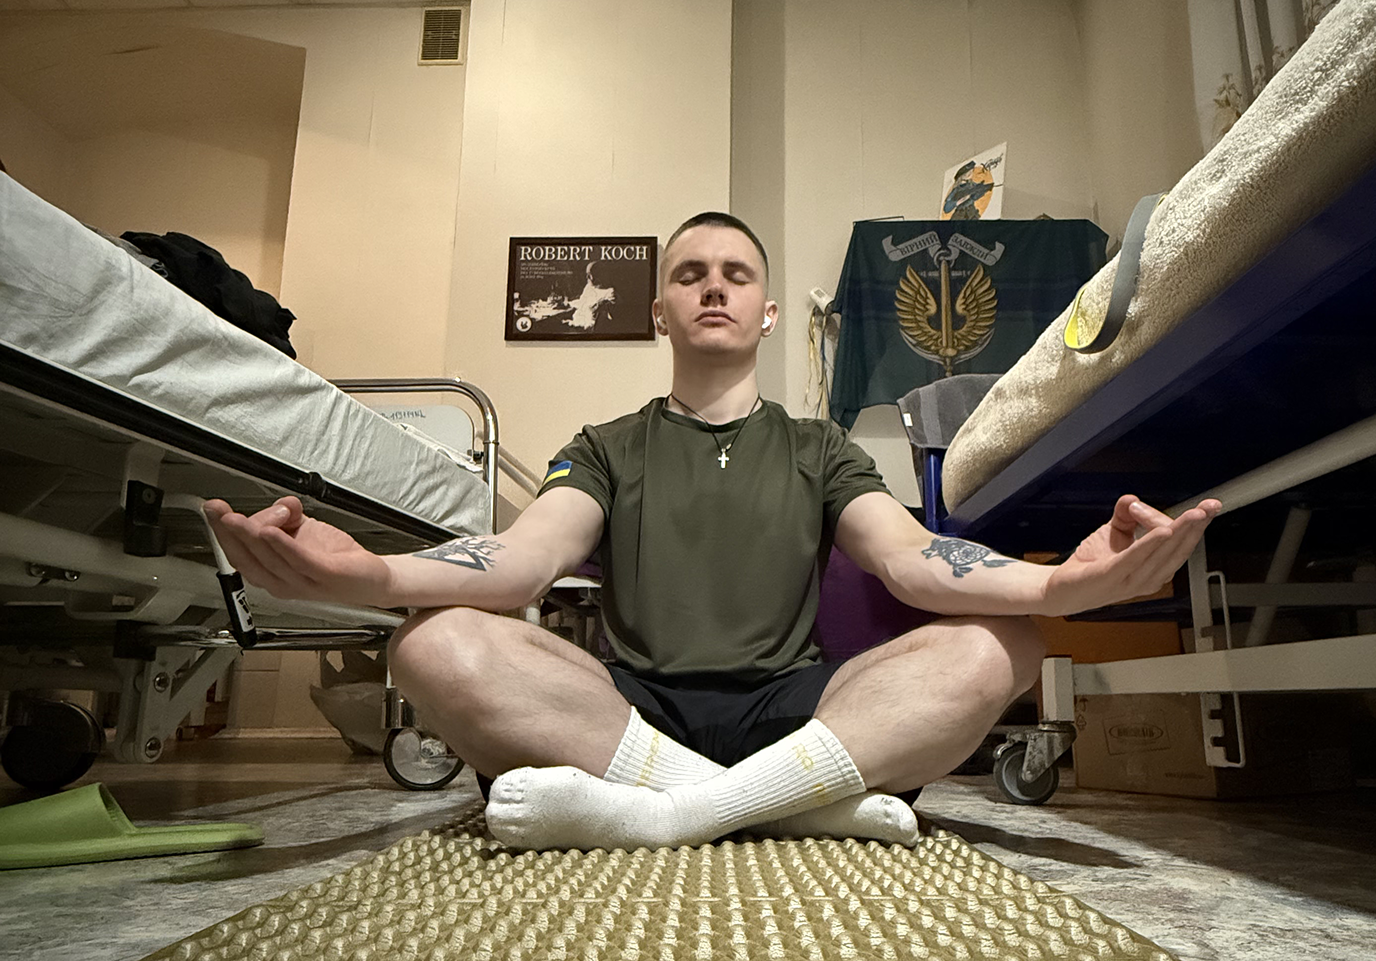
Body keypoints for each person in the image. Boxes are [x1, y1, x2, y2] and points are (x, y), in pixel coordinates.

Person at [205, 212, 1219, 852]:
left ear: (767, 312)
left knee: (1007, 642)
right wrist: (372, 574)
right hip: (628, 712)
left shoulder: (819, 447)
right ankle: (790, 806)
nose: (715, 286)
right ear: (661, 310)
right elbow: (518, 561)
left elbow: (913, 561)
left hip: (796, 706)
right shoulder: (606, 445)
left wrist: (1056, 586)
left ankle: (669, 813)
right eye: (691, 273)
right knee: (431, 643)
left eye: (736, 273)